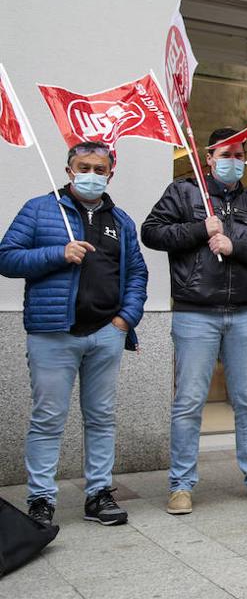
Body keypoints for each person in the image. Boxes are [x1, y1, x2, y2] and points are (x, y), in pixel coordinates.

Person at [0, 143, 148, 529]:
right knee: (47, 419)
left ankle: (98, 494)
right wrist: (57, 253)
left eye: (100, 169)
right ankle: (41, 500)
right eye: (84, 167)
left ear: (110, 174)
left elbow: (136, 275)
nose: (92, 174)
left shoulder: (122, 221)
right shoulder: (39, 209)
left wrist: (124, 321)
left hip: (105, 333)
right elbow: (7, 258)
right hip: (53, 334)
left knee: (101, 418)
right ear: (68, 170)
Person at [143, 128, 247, 515]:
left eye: (240, 155)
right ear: (208, 157)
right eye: (227, 154)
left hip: (244, 311)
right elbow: (151, 232)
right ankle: (181, 485)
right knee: (188, 401)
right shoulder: (184, 193)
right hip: (195, 312)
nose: (234, 161)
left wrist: (234, 245)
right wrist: (197, 230)